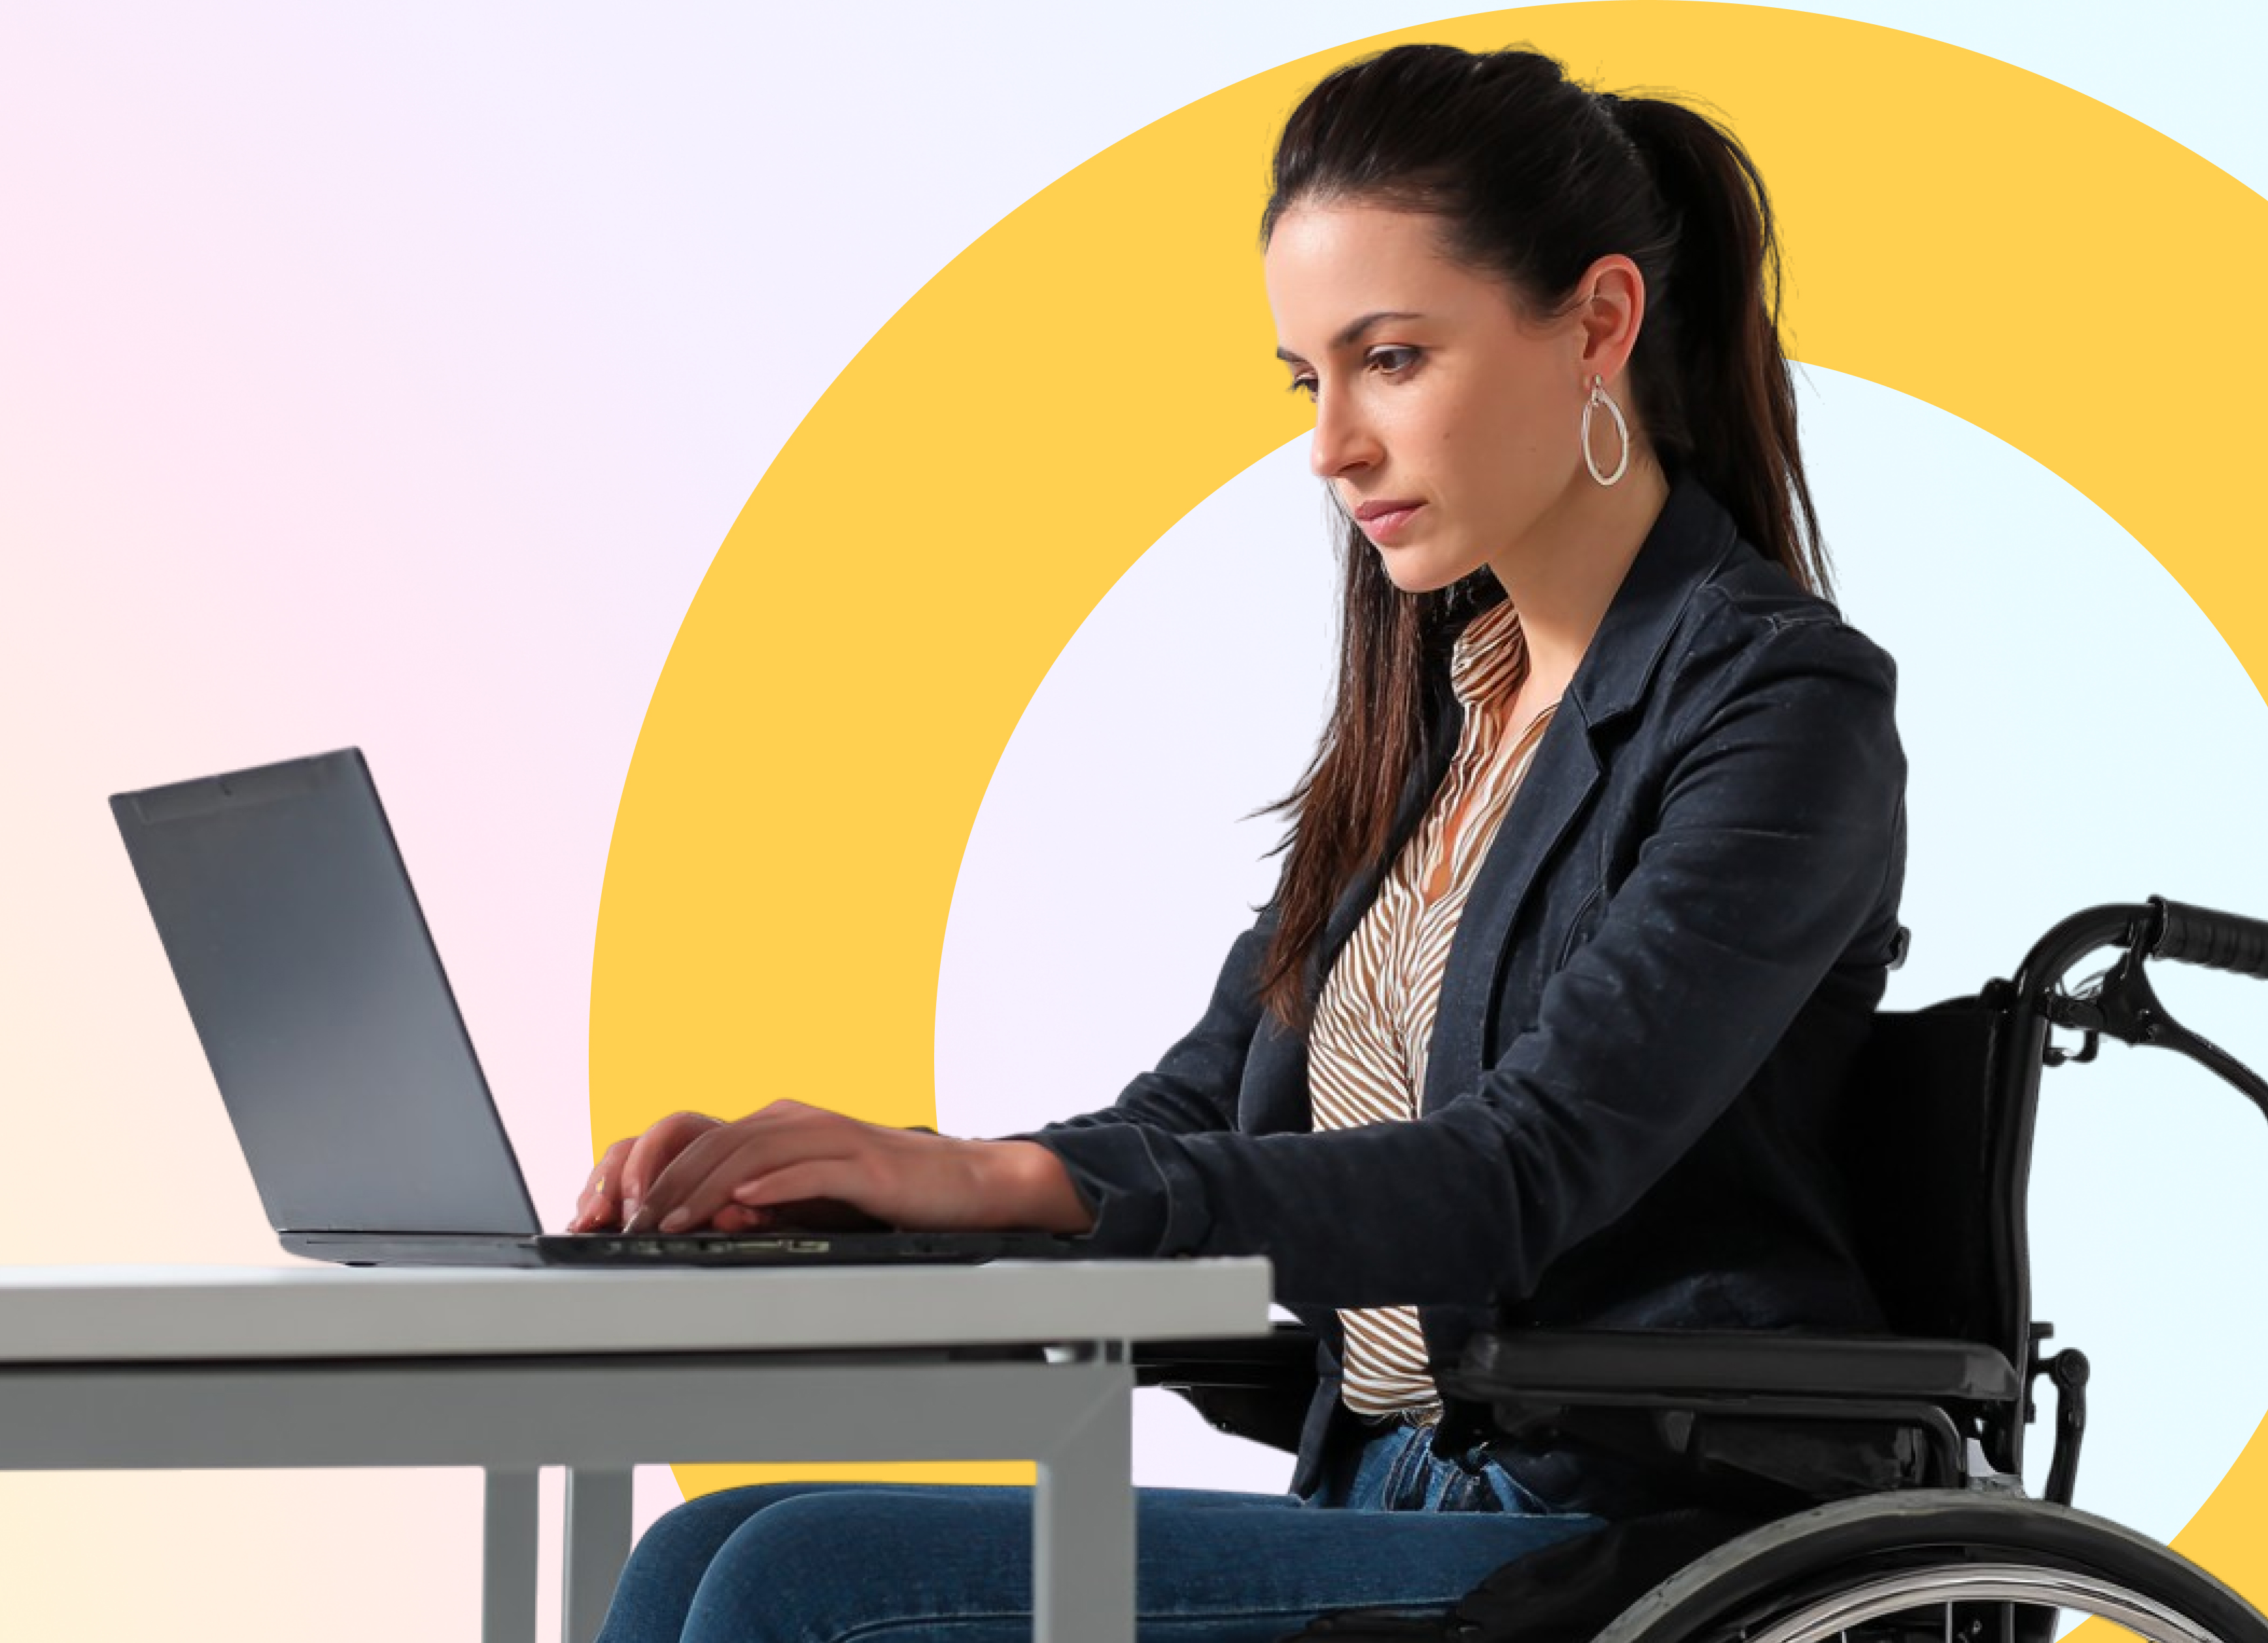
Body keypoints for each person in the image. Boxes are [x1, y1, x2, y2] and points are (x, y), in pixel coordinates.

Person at [575, 39, 1910, 1643]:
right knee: (710, 1545)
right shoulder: (1441, 720)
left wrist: (999, 1181)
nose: (1331, 441)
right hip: (1388, 1488)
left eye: (1393, 359)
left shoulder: (1779, 710)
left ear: (1600, 326)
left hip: (1623, 1525)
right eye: (1309, 377)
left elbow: (1522, 1171)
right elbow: (1201, 1110)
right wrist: (854, 1191)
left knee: (796, 1588)